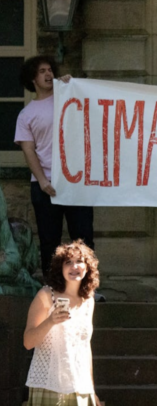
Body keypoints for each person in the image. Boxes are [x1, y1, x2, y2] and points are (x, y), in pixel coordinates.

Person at [14, 55, 94, 280]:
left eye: (50, 70)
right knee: (50, 241)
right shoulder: (26, 115)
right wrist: (42, 181)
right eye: (42, 71)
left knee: (84, 237)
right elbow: (29, 151)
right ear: (32, 78)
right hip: (45, 185)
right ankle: (53, 289)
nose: (48, 74)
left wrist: (72, 85)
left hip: (75, 181)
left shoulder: (67, 97)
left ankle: (87, 289)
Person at [24, 240, 101, 406]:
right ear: (61, 268)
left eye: (79, 262)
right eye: (68, 263)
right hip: (49, 384)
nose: (74, 267)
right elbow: (28, 342)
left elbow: (85, 347)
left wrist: (92, 389)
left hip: (80, 386)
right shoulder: (46, 295)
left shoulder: (88, 300)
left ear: (87, 267)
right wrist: (50, 321)